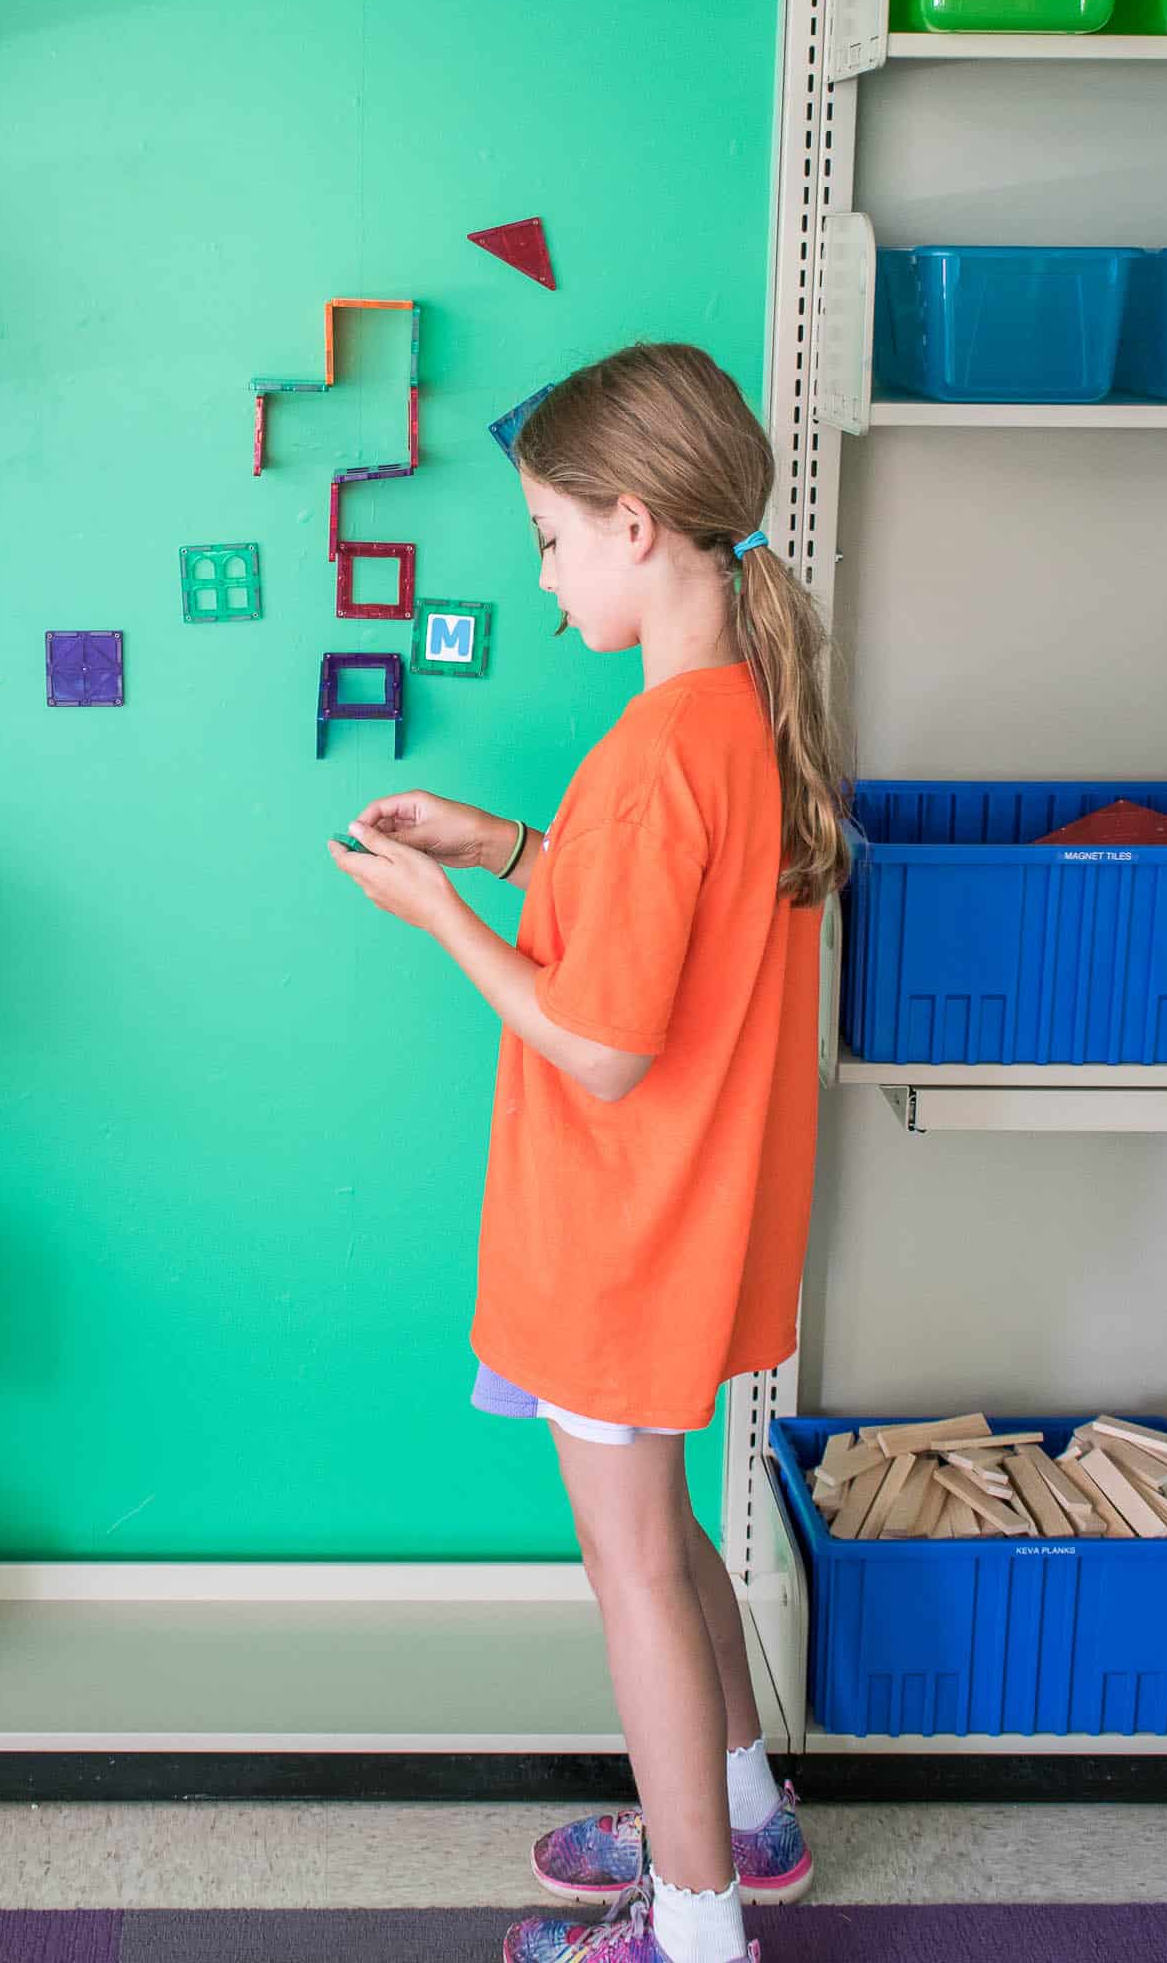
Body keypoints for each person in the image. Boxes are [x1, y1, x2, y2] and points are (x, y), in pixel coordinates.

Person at [328, 341, 849, 1963]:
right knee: (671, 1532)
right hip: (688, 1224)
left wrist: (442, 920)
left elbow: (606, 1042)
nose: (546, 577)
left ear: (638, 525)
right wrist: (503, 846)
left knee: (631, 1574)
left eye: (551, 537)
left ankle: (693, 1926)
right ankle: (744, 1823)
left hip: (623, 1233)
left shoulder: (654, 759)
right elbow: (654, 936)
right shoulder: (729, 722)